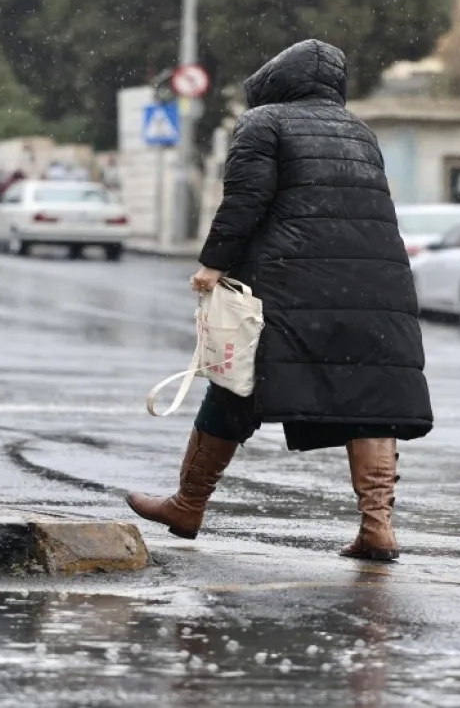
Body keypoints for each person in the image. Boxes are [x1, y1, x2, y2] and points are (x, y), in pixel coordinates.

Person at [125, 39, 434, 562]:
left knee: (236, 385)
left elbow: (246, 199)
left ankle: (188, 503)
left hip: (290, 281)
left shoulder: (264, 122)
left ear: (275, 79)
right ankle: (377, 527)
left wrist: (213, 264)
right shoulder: (360, 131)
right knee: (371, 400)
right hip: (376, 285)